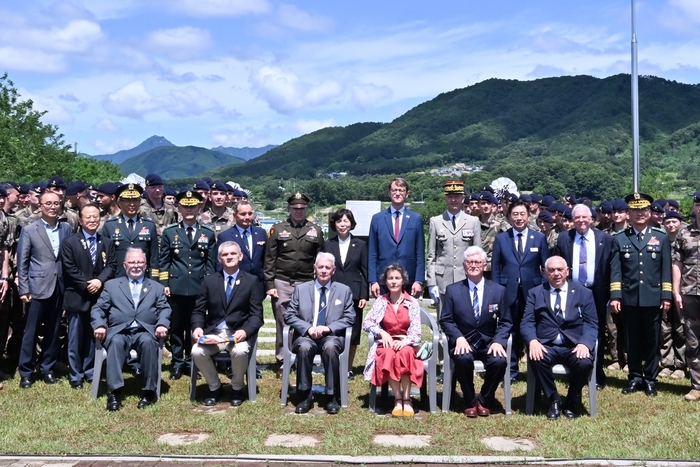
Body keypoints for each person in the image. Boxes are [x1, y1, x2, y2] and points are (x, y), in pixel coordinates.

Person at [91, 248, 171, 411]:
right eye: (132, 262)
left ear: (146, 265)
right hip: (120, 330)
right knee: (116, 343)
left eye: (140, 262)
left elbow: (165, 308)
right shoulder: (112, 285)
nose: (136, 266)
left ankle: (149, 391)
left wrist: (162, 323)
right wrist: (99, 324)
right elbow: (98, 308)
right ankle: (114, 391)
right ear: (125, 265)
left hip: (145, 330)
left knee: (149, 343)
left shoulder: (156, 287)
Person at [610, 192, 672, 397]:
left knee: (653, 340)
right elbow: (616, 269)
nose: (640, 214)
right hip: (629, 297)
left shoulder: (660, 236)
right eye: (635, 210)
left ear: (649, 212)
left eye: (643, 210)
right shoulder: (620, 238)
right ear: (629, 213)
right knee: (632, 339)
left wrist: (666, 296)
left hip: (653, 297)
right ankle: (635, 377)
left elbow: (665, 269)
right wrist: (616, 295)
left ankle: (651, 379)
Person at [521, 256, 598, 419]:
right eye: (551, 270)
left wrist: (585, 343)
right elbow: (527, 322)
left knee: (584, 363)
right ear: (544, 272)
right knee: (536, 358)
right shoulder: (535, 293)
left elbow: (592, 323)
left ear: (567, 271)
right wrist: (533, 341)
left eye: (560, 269)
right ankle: (554, 399)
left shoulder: (584, 293)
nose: (556, 273)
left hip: (574, 345)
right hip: (546, 345)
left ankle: (571, 399)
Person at [439, 247, 511, 417]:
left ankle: (485, 399)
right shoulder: (453, 290)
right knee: (463, 359)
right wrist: (458, 338)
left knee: (499, 361)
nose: (473, 265)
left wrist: (498, 341)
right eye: (469, 262)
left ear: (484, 265)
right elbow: (446, 319)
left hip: (489, 342)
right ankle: (470, 401)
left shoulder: (499, 290)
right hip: (464, 341)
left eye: (477, 262)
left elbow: (507, 321)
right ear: (464, 265)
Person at [190, 241, 264, 406]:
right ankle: (215, 387)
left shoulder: (251, 281)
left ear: (240, 256)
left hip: (237, 334)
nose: (229, 257)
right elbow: (198, 310)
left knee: (240, 351)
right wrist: (197, 327)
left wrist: (245, 331)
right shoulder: (209, 281)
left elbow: (257, 315)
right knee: (196, 352)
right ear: (219, 258)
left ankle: (237, 388)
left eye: (232, 254)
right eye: (225, 254)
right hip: (213, 334)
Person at [283, 252, 355, 414]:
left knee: (330, 347)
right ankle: (305, 395)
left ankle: (331, 396)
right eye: (320, 267)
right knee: (304, 347)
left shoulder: (344, 291)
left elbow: (350, 317)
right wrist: (307, 328)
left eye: (327, 267)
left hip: (331, 336)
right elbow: (289, 315)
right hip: (306, 335)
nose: (323, 270)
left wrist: (329, 328)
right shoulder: (301, 289)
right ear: (314, 268)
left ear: (333, 270)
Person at [16, 191, 73, 388]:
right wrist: (24, 288)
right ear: (40, 206)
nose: (52, 206)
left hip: (59, 287)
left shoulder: (66, 228)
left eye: (56, 203)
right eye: (48, 203)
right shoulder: (30, 230)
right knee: (31, 332)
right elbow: (22, 262)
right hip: (37, 287)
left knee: (54, 329)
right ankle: (26, 371)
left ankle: (47, 368)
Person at [554, 204, 613, 390]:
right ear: (572, 220)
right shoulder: (564, 238)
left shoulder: (605, 238)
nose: (580, 220)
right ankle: (576, 369)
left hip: (596, 292)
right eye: (577, 217)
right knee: (573, 329)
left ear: (591, 219)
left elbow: (612, 269)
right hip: (572, 292)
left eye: (584, 217)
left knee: (597, 331)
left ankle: (597, 374)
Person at [159, 190, 217, 380]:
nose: (189, 209)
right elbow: (164, 261)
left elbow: (210, 263)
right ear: (179, 208)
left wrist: (209, 287)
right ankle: (177, 362)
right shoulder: (170, 232)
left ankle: (193, 361)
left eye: (193, 206)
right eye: (185, 206)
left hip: (199, 287)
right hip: (176, 286)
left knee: (196, 326)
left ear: (199, 208)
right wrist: (164, 283)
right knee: (176, 327)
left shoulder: (207, 233)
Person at [60, 203, 117, 388]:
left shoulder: (106, 242)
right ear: (81, 220)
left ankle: (90, 370)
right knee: (75, 338)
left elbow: (112, 266)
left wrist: (99, 281)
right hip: (77, 296)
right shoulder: (70, 242)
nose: (92, 220)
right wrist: (87, 284)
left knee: (95, 337)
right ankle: (75, 374)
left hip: (98, 298)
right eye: (88, 217)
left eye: (95, 217)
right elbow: (69, 268)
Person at [492, 199, 549, 380]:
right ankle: (512, 370)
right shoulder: (501, 238)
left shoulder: (539, 238)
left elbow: (545, 267)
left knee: (534, 328)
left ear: (528, 215)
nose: (519, 218)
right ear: (509, 217)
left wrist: (542, 289)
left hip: (532, 291)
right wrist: (497, 290)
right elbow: (495, 267)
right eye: (515, 214)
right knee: (511, 329)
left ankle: (536, 368)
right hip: (508, 291)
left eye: (522, 214)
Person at [264, 192, 324, 364]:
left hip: (306, 281)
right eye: (295, 208)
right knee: (282, 321)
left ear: (306, 209)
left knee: (304, 320)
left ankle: (301, 357)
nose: (298, 211)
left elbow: (320, 259)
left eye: (302, 208)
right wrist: (269, 283)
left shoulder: (316, 231)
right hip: (282, 280)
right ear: (289, 208)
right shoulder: (278, 229)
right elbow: (269, 258)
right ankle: (283, 359)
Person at [362, 263, 423, 417]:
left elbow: (416, 331)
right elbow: (367, 323)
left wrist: (404, 341)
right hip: (386, 343)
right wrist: (382, 332)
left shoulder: (412, 302)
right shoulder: (381, 301)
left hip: (406, 342)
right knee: (388, 355)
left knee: (405, 354)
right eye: (390, 278)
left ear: (403, 281)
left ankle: (407, 399)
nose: (394, 281)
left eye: (397, 278)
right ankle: (397, 399)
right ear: (386, 281)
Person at [322, 208, 368, 378]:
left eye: (346, 221)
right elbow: (324, 270)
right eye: (339, 221)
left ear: (352, 223)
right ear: (334, 224)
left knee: (353, 330)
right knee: (333, 328)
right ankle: (333, 363)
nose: (343, 224)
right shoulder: (328, 244)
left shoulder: (361, 244)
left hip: (355, 292)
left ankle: (348, 367)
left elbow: (365, 271)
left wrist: (364, 295)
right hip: (332, 291)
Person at [426, 180, 482, 315]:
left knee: (466, 319)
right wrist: (431, 282)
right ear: (445, 198)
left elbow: (478, 254)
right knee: (444, 321)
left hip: (465, 279)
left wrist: (477, 280)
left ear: (463, 198)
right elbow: (431, 256)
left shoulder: (473, 221)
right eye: (450, 196)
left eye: (457, 196)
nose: (453, 200)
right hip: (443, 279)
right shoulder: (436, 221)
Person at [368, 178, 425, 298]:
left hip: (409, 279)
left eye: (401, 190)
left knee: (406, 315)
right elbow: (372, 252)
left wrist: (419, 280)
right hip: (383, 279)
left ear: (407, 194)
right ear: (389, 193)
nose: (397, 193)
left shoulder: (416, 219)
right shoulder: (377, 219)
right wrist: (372, 281)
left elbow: (420, 253)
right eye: (394, 190)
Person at [672, 194, 700, 400]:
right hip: (690, 293)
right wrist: (675, 291)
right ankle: (697, 385)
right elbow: (677, 264)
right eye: (698, 205)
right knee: (692, 340)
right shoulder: (685, 233)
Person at [102, 183, 159, 279]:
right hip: (118, 279)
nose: (132, 204)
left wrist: (154, 281)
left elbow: (154, 258)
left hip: (144, 279)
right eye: (127, 200)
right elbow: (105, 257)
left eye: (135, 200)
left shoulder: (149, 225)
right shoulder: (110, 225)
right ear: (119, 202)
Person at [216, 200, 267, 290]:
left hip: (258, 283)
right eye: (243, 214)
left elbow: (266, 258)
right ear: (235, 215)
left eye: (250, 213)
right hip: (235, 283)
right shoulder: (225, 236)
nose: (247, 217)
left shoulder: (261, 233)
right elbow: (220, 263)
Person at [660, 210, 686, 380]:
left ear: (680, 223)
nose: (670, 225)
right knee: (664, 328)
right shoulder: (661, 241)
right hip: (663, 290)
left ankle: (681, 365)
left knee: (681, 328)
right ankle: (666, 363)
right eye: (667, 222)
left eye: (674, 221)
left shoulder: (685, 240)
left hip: (683, 290)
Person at [139, 174, 177, 241]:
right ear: (146, 189)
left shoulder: (171, 208)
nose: (157, 190)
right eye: (153, 187)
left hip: (167, 247)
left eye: (160, 187)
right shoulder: (140, 209)